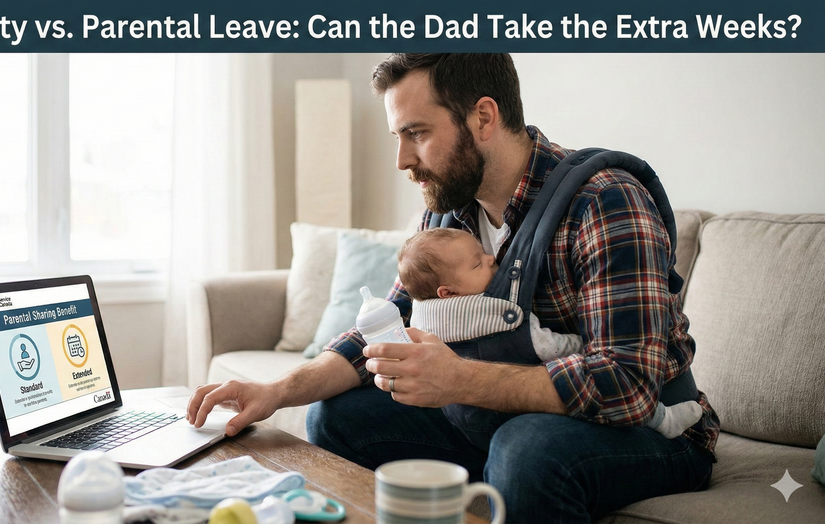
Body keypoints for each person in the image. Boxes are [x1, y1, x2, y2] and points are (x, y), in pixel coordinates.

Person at [188, 53, 719, 522]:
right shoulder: (448, 212)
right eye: (398, 137)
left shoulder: (604, 203)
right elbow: (389, 323)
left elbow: (627, 385)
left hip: (654, 434)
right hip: (504, 419)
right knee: (336, 416)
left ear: (483, 117)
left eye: (416, 133)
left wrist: (461, 379)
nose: (402, 160)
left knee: (526, 449)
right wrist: (279, 391)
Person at [397, 227, 703, 439]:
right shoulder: (496, 312)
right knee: (590, 400)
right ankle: (665, 421)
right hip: (533, 396)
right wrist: (582, 344)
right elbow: (547, 346)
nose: (492, 259)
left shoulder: (424, 314)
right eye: (479, 263)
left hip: (472, 415)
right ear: (448, 292)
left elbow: (392, 324)